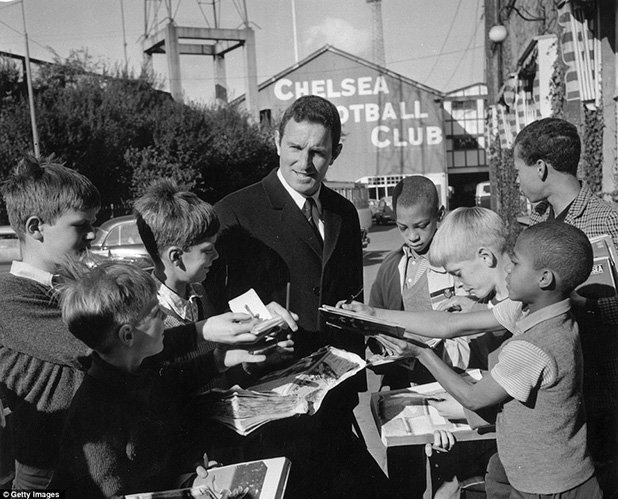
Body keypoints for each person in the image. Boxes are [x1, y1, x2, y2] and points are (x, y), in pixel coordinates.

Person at [0, 156, 271, 490]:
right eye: (80, 225)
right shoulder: (11, 298)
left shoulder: (79, 283)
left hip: (110, 460)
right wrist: (203, 332)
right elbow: (103, 346)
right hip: (45, 480)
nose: (91, 234)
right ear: (35, 227)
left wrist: (217, 359)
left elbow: (138, 369)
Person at [207, 95, 390, 498]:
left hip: (333, 401)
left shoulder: (342, 213)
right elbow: (206, 308)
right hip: (267, 407)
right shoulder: (234, 213)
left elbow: (349, 300)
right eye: (295, 148)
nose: (304, 163)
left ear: (336, 153)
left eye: (318, 152)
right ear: (277, 142)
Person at [344, 222, 602, 498]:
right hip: (538, 473)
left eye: (515, 263)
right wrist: (373, 314)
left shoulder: (533, 344)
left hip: (549, 488)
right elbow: (450, 324)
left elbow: (473, 398)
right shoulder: (537, 310)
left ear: (544, 279)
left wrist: (422, 352)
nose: (508, 269)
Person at [52, 260, 267, 498]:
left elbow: (174, 384)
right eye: (156, 313)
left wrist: (218, 360)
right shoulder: (96, 413)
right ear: (128, 335)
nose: (165, 317)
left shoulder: (137, 368)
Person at [514, 117, 618, 492]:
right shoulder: (538, 222)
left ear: (541, 167)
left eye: (518, 170)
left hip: (603, 394)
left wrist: (571, 300)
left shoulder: (606, 220)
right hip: (559, 400)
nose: (516, 181)